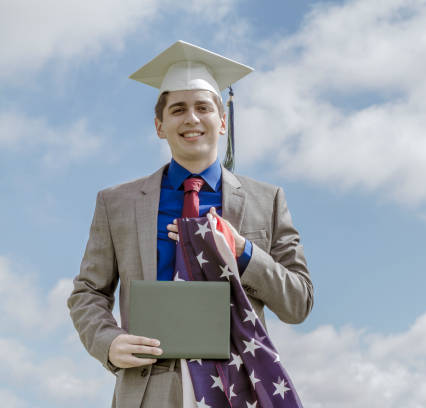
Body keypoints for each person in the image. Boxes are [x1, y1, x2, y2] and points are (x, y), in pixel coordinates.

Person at [67, 40, 313, 407]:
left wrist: (243, 252)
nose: (192, 119)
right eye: (178, 109)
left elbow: (299, 302)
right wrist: (107, 342)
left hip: (236, 386)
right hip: (151, 387)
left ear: (222, 121)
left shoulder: (268, 200)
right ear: (159, 125)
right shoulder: (116, 203)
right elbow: (87, 291)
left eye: (203, 107)